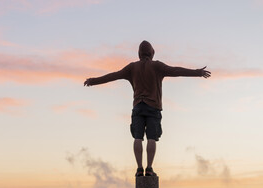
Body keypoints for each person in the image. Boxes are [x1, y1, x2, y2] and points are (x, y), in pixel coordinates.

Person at [84, 40, 210, 177]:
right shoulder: (157, 66)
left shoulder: (132, 68)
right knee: (151, 138)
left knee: (137, 138)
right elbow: (176, 71)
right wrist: (197, 72)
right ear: (152, 53)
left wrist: (93, 81)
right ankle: (149, 168)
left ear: (139, 54)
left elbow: (112, 76)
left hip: (138, 107)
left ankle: (139, 169)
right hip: (153, 108)